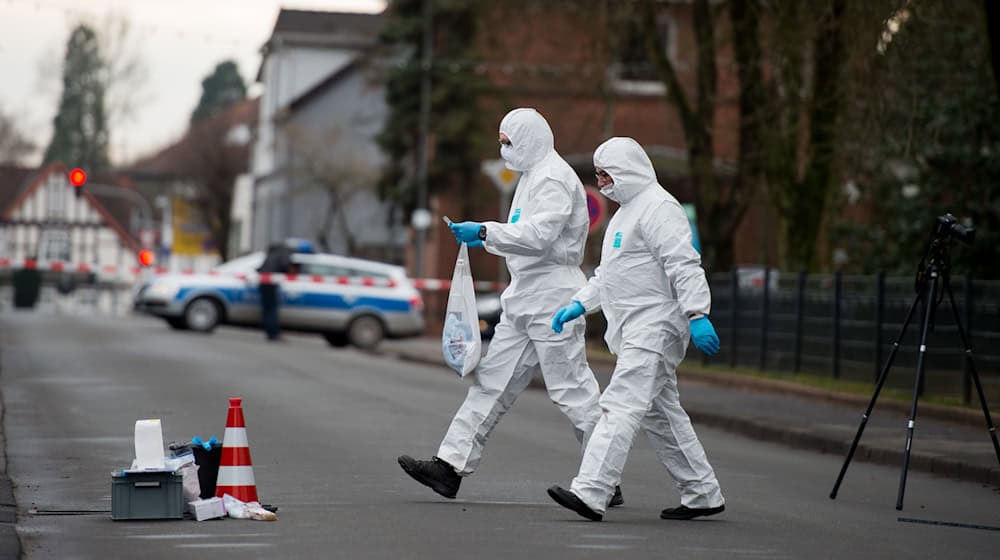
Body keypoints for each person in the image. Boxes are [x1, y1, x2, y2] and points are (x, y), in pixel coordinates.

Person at [398, 108, 622, 506]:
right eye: (501, 142)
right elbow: (522, 236)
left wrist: (483, 231)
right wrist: (486, 236)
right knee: (491, 384)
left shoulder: (553, 178)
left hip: (553, 298)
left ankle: (603, 476)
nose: (503, 150)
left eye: (508, 142)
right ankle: (448, 467)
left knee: (572, 391)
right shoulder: (532, 176)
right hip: (525, 299)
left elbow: (539, 236)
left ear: (530, 140)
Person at [547, 137, 725, 522]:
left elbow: (683, 263)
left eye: (606, 174)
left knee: (620, 405)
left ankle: (592, 491)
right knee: (662, 415)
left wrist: (697, 313)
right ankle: (702, 492)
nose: (602, 181)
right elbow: (610, 276)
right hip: (635, 328)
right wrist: (580, 303)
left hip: (656, 326)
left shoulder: (660, 208)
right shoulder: (626, 213)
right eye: (598, 175)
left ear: (627, 169)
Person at [257, 242, 291, 341]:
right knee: (272, 310)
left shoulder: (269, 256)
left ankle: (269, 332)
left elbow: (260, 269)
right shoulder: (280, 255)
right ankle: (273, 333)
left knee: (267, 309)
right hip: (271, 285)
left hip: (263, 284)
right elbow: (284, 266)